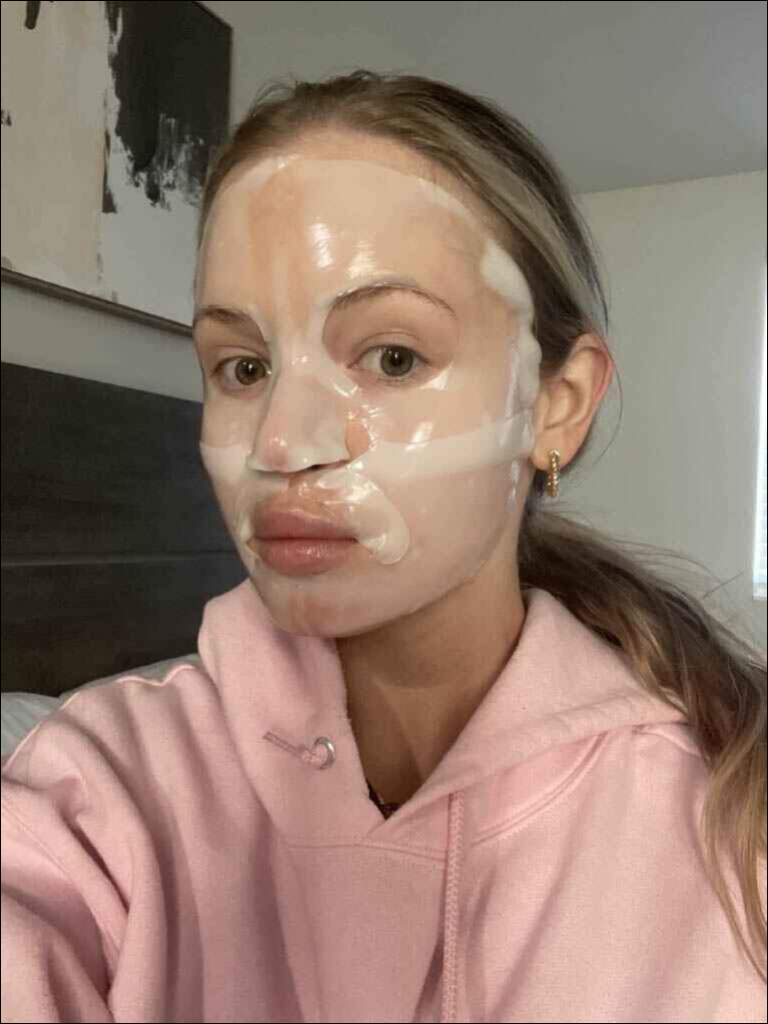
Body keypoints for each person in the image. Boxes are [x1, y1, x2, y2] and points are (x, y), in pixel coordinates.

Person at [2, 71, 765, 1024]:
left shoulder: (728, 825)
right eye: (243, 367)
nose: (281, 443)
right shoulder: (98, 792)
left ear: (557, 407)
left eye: (392, 357)